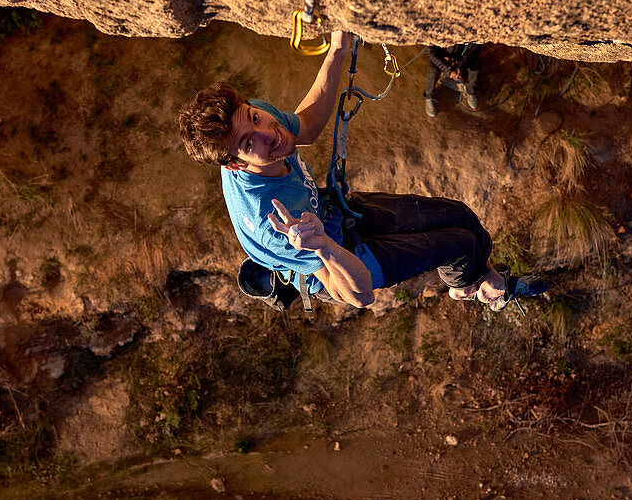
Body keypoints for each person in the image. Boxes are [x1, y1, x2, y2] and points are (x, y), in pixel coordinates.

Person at [178, 32, 547, 311]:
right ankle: (482, 288)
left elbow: (305, 126)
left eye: (256, 118)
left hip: (331, 213)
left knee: (462, 216)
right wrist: (323, 247)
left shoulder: (255, 118)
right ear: (235, 164)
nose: (269, 135)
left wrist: (337, 51)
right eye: (248, 143)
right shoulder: (274, 224)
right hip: (340, 258)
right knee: (461, 243)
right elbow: (360, 295)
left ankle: (477, 280)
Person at [424, 43, 481, 116]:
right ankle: (429, 96)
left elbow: (474, 48)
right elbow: (429, 51)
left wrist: (460, 66)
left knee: (474, 65)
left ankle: (470, 91)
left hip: (461, 51)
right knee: (433, 71)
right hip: (440, 50)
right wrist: (449, 71)